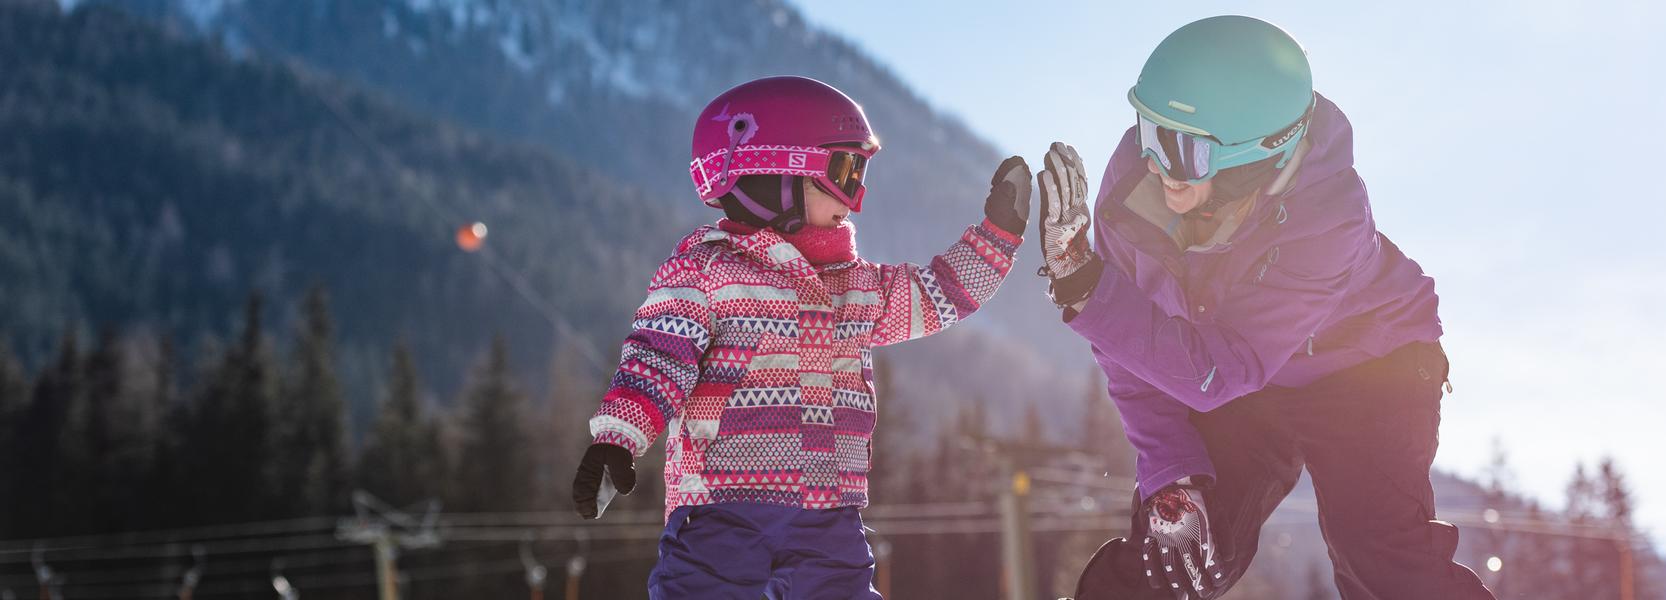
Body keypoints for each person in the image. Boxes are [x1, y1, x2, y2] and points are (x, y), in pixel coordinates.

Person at [1038, 17, 1495, 599]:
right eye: (1149, 131)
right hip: (1234, 374)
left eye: (1180, 148)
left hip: (1369, 368)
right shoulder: (1136, 192)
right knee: (1173, 557)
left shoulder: (1329, 216)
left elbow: (1217, 371)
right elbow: (1131, 348)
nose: (1153, 161)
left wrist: (1088, 291)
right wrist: (1171, 471)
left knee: (1378, 557)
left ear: (1254, 156)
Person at [569, 76, 1030, 599]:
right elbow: (657, 357)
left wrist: (998, 235)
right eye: (845, 170)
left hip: (828, 513)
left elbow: (936, 295)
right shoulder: (708, 270)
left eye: (860, 172)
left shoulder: (856, 285)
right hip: (723, 506)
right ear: (775, 173)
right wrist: (617, 438)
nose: (857, 195)